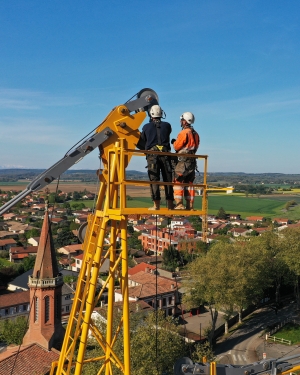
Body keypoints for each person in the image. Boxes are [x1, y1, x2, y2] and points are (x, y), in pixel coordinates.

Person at [137, 105, 174, 210]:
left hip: (152, 156)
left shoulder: (146, 127)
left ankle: (156, 205)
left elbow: (143, 139)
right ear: (161, 114)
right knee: (168, 179)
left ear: (151, 114)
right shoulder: (167, 125)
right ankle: (170, 205)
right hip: (166, 155)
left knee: (154, 179)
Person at [172, 112, 200, 210]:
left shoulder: (184, 133)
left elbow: (177, 146)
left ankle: (179, 204)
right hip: (192, 161)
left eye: (181, 119)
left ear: (184, 121)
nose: (180, 121)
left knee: (178, 181)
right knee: (189, 183)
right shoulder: (195, 134)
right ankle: (190, 206)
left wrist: (174, 143)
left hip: (183, 161)